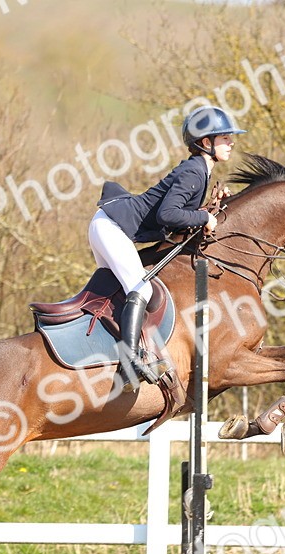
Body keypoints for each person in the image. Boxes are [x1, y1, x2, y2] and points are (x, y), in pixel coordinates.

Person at [90, 105, 245, 386]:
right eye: (225, 138)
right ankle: (129, 361)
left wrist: (208, 207)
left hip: (109, 225)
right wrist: (204, 216)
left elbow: (177, 217)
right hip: (111, 227)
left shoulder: (200, 170)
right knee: (141, 288)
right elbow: (167, 215)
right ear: (206, 142)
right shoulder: (194, 171)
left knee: (122, 292)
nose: (231, 142)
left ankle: (110, 355)